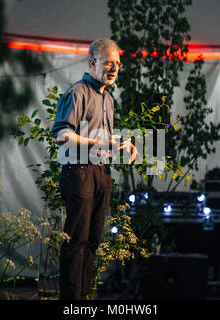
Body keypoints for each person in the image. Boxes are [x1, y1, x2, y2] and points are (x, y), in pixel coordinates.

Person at [51, 38, 137, 300]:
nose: (113, 69)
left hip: (101, 174)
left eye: (118, 64)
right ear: (92, 63)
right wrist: (101, 142)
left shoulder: (108, 99)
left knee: (92, 242)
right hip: (79, 172)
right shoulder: (77, 93)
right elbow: (62, 134)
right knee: (76, 242)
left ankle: (84, 300)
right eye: (108, 63)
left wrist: (124, 144)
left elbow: (105, 140)